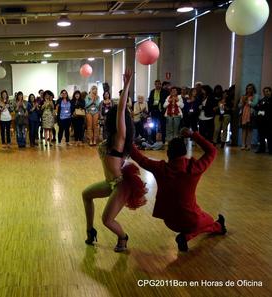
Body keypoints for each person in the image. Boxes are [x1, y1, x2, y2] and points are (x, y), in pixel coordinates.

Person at [130, 127, 227, 251]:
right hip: (190, 218)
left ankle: (217, 227)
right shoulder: (194, 168)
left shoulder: (161, 169)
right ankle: (208, 230)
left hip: (169, 221)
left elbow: (140, 159)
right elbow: (212, 151)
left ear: (168, 153)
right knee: (207, 221)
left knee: (201, 221)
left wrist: (128, 141)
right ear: (185, 152)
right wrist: (193, 134)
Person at [82, 69, 147, 252]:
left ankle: (123, 238)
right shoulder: (110, 140)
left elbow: (120, 110)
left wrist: (126, 85)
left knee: (107, 220)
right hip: (110, 182)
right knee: (86, 194)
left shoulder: (120, 138)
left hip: (121, 185)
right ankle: (89, 230)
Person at [238, 83, 259, 150]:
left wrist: (248, 101)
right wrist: (242, 102)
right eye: (248, 88)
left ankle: (248, 145)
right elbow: (239, 105)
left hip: (251, 114)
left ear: (253, 89)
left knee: (250, 130)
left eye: (250, 88)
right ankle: (243, 144)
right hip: (243, 114)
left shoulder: (255, 96)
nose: (249, 90)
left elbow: (254, 104)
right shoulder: (243, 96)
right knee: (244, 130)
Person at [254, 87, 272, 154]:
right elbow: (257, 107)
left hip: (269, 121)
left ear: (270, 92)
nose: (266, 93)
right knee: (261, 136)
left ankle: (270, 149)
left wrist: (263, 111)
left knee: (269, 136)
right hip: (261, 121)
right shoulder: (261, 100)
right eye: (264, 91)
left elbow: (267, 109)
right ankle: (262, 149)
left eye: (267, 91)